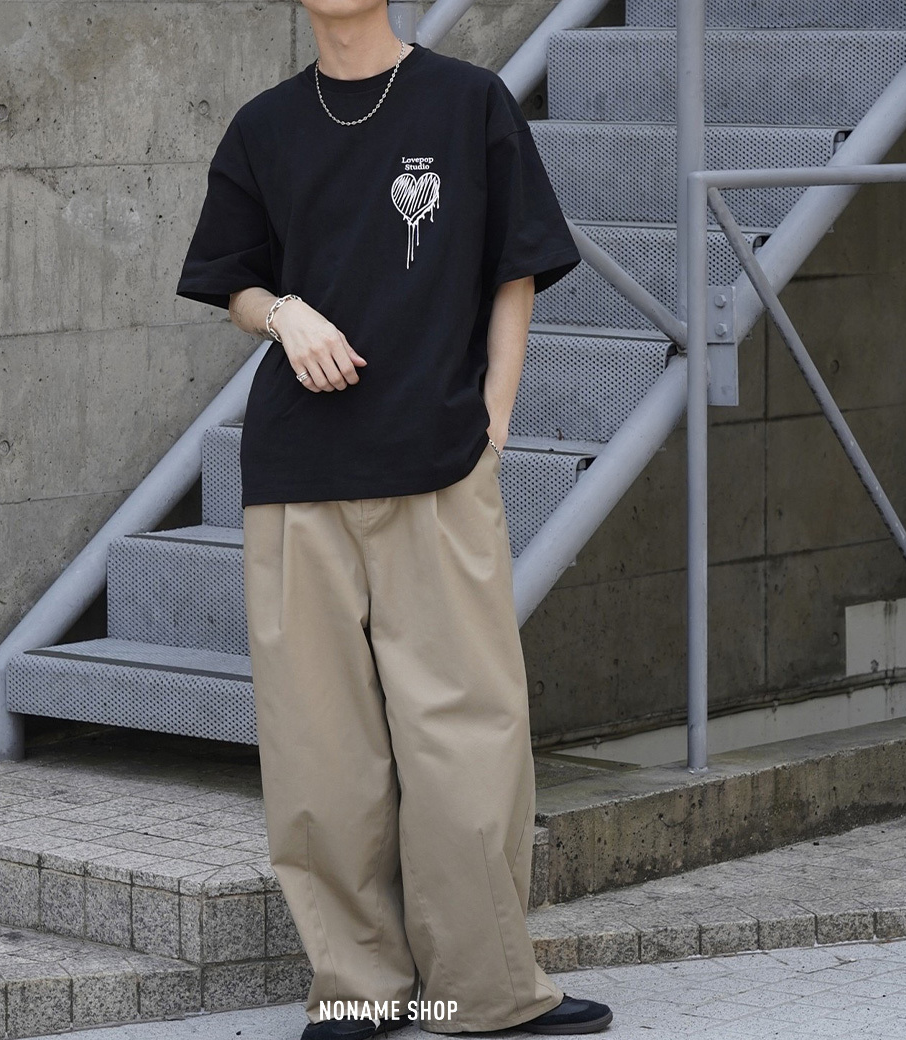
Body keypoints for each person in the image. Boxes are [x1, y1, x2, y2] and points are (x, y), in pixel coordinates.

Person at [176, 1, 613, 1036]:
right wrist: (284, 313)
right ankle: (357, 989)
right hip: (297, 474)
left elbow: (515, 268)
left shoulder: (467, 103)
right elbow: (233, 280)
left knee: (465, 740)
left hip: (437, 465)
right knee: (319, 749)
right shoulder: (263, 126)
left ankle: (487, 991)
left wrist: (493, 422)